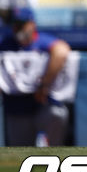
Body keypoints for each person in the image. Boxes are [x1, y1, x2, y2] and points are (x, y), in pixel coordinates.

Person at [0, 8, 71, 146]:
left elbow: (62, 51)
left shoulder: (41, 41)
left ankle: (53, 156)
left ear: (32, 24)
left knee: (58, 114)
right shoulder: (6, 44)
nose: (18, 28)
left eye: (22, 24)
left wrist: (44, 85)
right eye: (15, 24)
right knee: (20, 156)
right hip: (17, 109)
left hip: (42, 103)